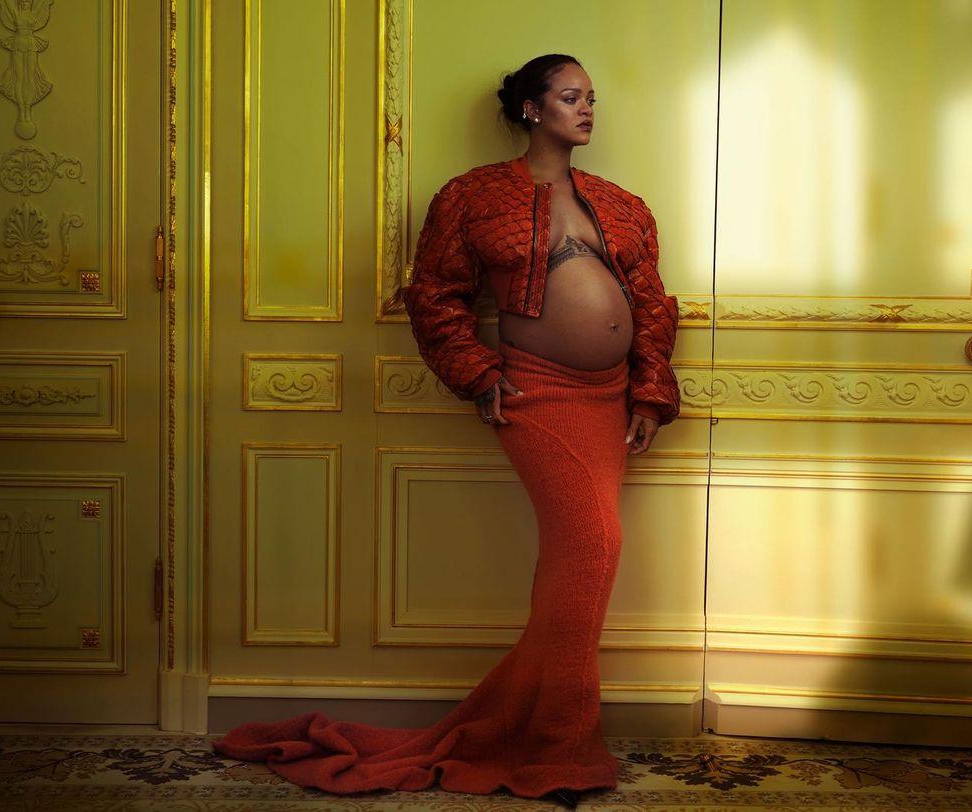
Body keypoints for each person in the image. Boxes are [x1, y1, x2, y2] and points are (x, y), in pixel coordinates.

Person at [211, 54, 681, 810]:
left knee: (574, 562)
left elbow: (653, 302)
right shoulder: (473, 195)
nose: (588, 108)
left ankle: (521, 728)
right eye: (570, 97)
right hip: (537, 392)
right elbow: (435, 294)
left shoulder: (622, 205)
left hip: (610, 396)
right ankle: (560, 746)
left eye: (592, 97)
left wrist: (650, 393)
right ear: (532, 109)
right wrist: (477, 373)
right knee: (597, 544)